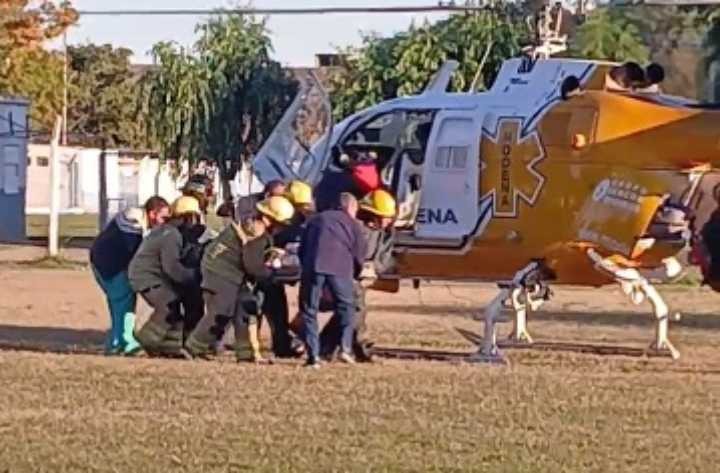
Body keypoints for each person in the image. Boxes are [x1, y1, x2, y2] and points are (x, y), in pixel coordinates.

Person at [183, 196, 295, 363]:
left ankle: (246, 353)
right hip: (220, 271)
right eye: (280, 224)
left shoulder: (258, 228)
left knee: (245, 309)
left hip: (233, 272)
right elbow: (252, 266)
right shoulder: (257, 233)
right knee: (221, 311)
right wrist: (274, 275)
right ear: (268, 218)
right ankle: (192, 348)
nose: (281, 229)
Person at [319, 189, 397, 362]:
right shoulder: (354, 226)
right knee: (356, 309)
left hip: (363, 277)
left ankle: (325, 346)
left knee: (347, 311)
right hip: (346, 274)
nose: (389, 220)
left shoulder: (387, 233)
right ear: (373, 214)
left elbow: (385, 256)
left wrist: (374, 268)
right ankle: (362, 347)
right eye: (385, 217)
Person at [90, 196, 170, 355]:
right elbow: (135, 250)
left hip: (113, 263)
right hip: (109, 265)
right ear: (153, 213)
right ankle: (119, 342)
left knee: (125, 302)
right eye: (164, 217)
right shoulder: (133, 219)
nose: (165, 222)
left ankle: (124, 341)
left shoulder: (141, 219)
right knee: (122, 302)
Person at [129, 196, 204, 357]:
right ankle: (145, 341)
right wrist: (194, 277)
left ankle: (170, 348)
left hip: (152, 275)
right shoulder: (171, 235)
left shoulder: (169, 230)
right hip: (147, 277)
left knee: (175, 309)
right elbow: (172, 268)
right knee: (168, 306)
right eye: (192, 217)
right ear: (185, 218)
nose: (195, 222)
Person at [298, 192, 367, 368]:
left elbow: (302, 246)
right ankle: (345, 348)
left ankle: (313, 356)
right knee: (347, 306)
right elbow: (359, 253)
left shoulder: (315, 219)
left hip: (313, 266)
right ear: (350, 207)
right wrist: (356, 272)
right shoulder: (353, 224)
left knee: (309, 310)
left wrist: (305, 265)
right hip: (340, 268)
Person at [259, 180, 315, 358]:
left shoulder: (306, 220)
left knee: (280, 307)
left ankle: (283, 344)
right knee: (266, 304)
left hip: (290, 266)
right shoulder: (277, 212)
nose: (302, 210)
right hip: (272, 268)